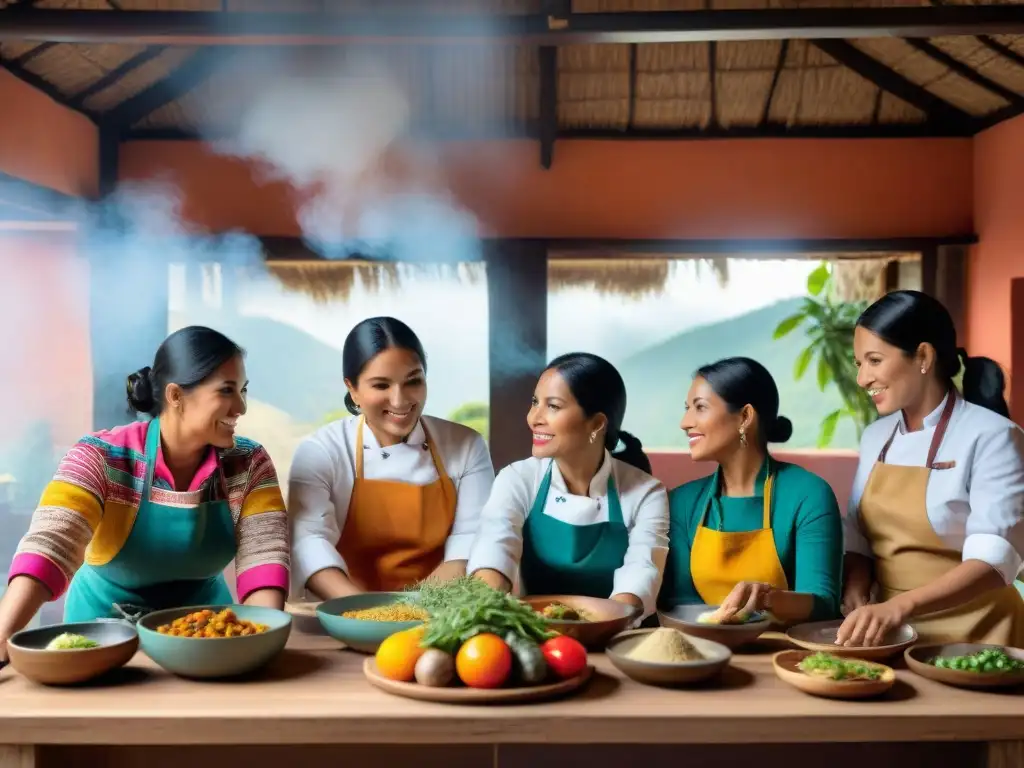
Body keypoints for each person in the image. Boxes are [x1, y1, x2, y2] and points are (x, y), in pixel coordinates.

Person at [0, 326, 290, 657]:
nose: (241, 407)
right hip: (101, 635)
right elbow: (50, 545)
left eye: (243, 390)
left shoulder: (249, 463)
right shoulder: (101, 456)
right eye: (226, 391)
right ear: (176, 396)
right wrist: (4, 632)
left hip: (207, 635)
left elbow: (264, 558)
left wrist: (261, 640)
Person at [839, 290, 1024, 647]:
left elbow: (994, 560)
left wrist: (899, 607)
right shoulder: (875, 437)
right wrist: (858, 585)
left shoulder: (994, 436)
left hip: (982, 633)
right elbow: (859, 536)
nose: (863, 378)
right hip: (893, 633)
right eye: (858, 363)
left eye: (874, 360)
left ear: (923, 356)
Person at [289, 317, 494, 599]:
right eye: (381, 386)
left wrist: (411, 609)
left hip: (437, 612)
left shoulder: (466, 445)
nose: (400, 401)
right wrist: (364, 613)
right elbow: (308, 541)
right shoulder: (322, 450)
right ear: (352, 388)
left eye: (413, 382)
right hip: (343, 610)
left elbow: (470, 540)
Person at [468, 352, 668, 618]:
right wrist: (482, 607)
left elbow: (642, 570)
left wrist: (603, 622)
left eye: (553, 406)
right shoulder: (518, 478)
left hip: (617, 634)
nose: (533, 418)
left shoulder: (646, 493)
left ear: (596, 423)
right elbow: (495, 545)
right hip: (536, 631)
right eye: (535, 402)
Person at [659, 358, 843, 623]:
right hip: (704, 646)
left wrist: (766, 598)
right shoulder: (683, 502)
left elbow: (824, 603)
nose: (685, 422)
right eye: (687, 408)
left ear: (745, 417)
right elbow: (680, 603)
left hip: (786, 651)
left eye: (699, 408)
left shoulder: (808, 494)